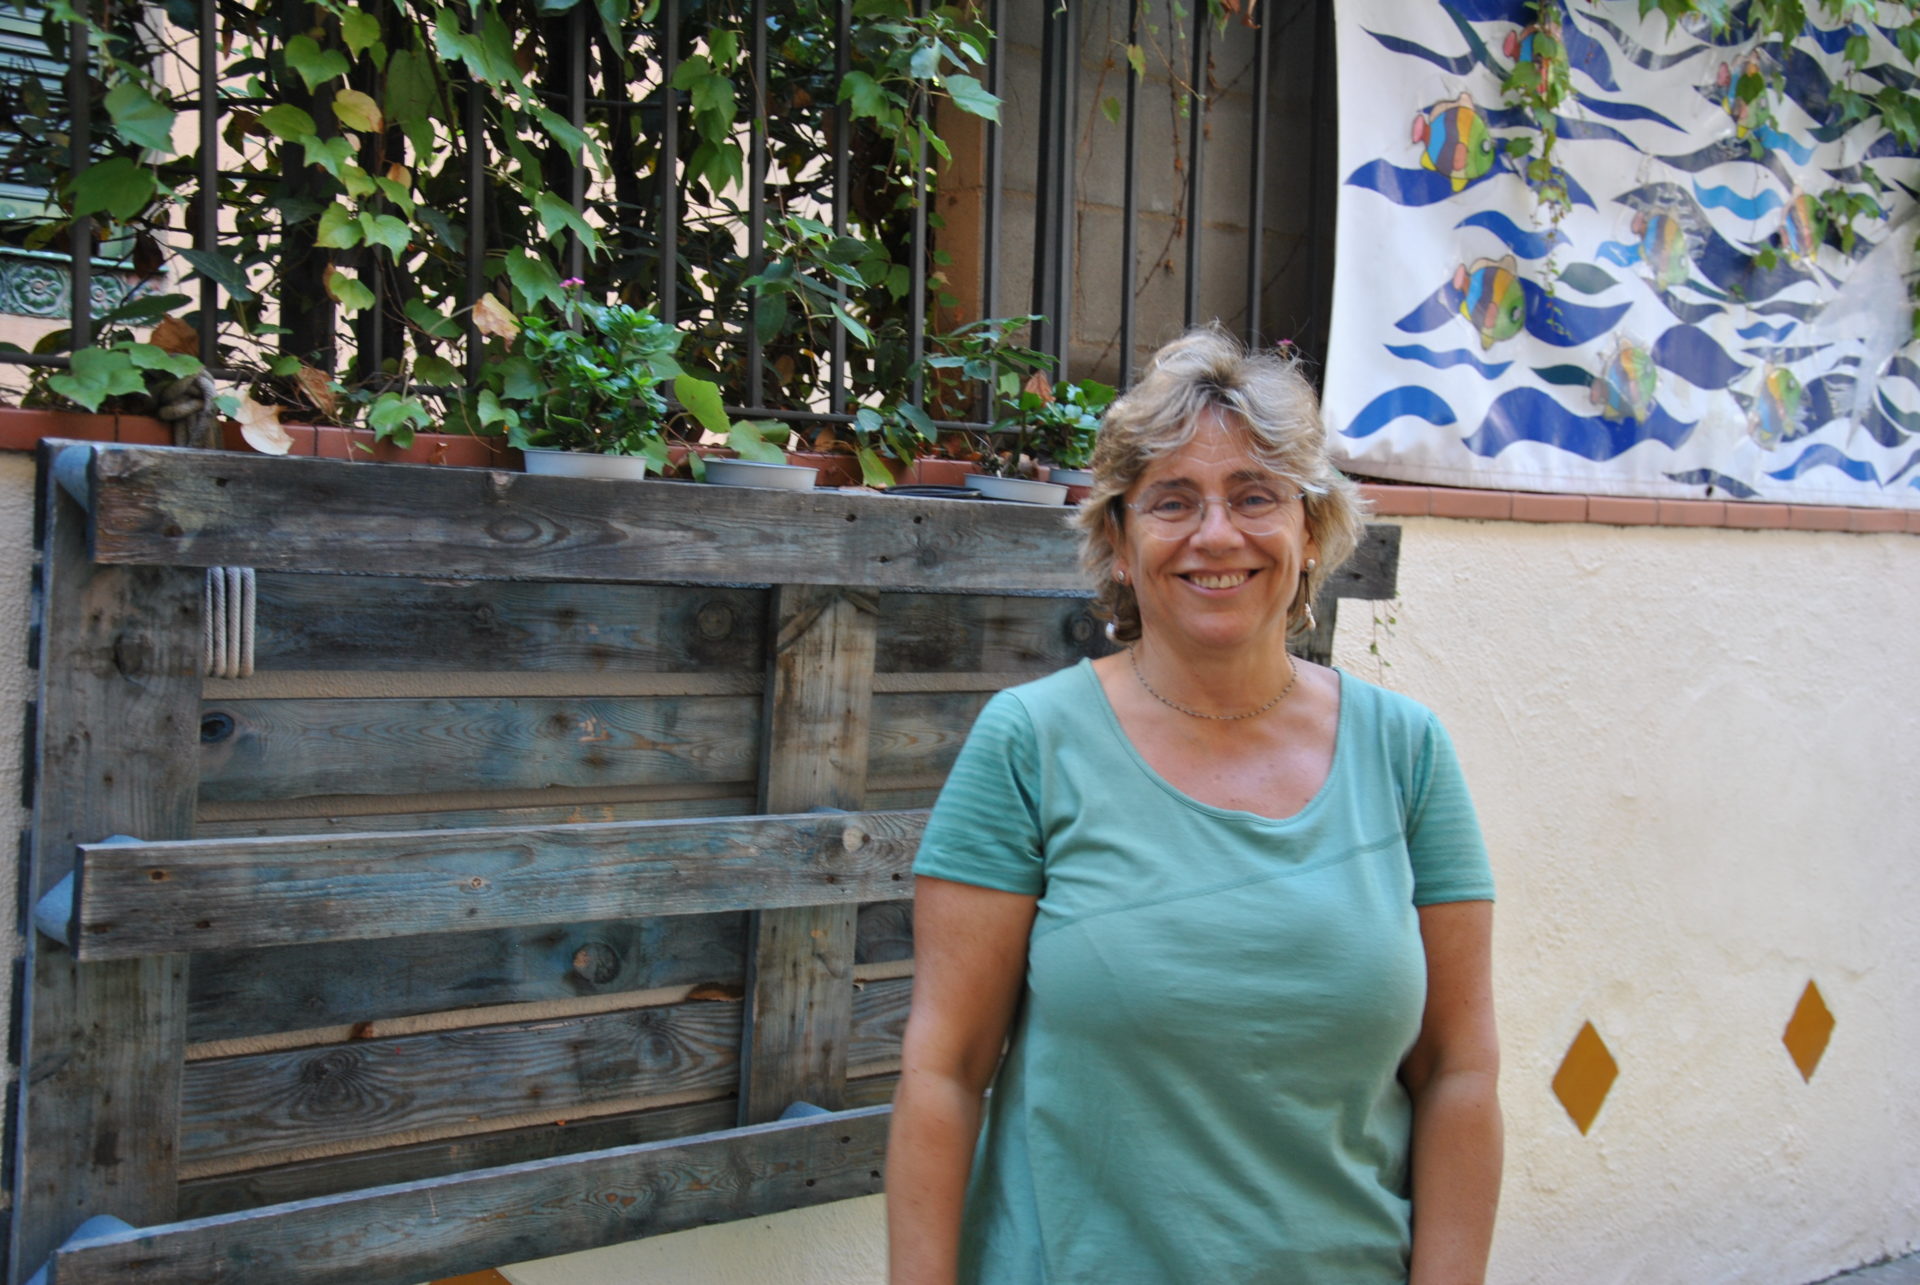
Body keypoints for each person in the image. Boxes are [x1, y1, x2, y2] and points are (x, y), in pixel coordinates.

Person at [886, 326, 1502, 1284]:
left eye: (1255, 496)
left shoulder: (1406, 753)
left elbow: (1458, 1072)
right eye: (1173, 501)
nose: (1217, 534)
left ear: (1310, 529)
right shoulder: (1030, 743)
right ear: (1120, 543)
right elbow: (944, 1070)